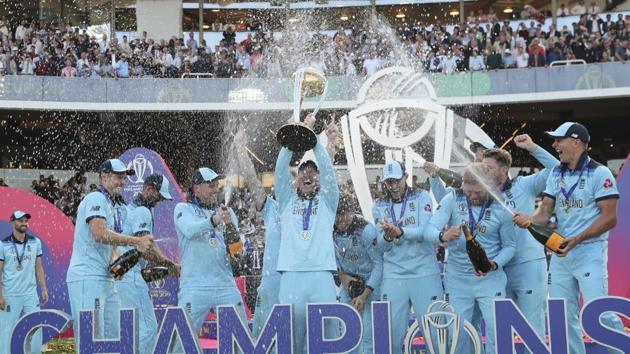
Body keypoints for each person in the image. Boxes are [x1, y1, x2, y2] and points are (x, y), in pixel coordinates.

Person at [513, 122, 624, 354]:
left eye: (558, 140)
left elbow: (610, 218)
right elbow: (544, 212)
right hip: (562, 253)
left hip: (589, 252)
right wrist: (530, 220)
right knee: (562, 316)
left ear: (576, 142)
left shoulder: (600, 173)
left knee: (599, 313)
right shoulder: (556, 173)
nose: (555, 145)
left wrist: (576, 239)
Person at [426, 163, 516, 354]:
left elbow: (510, 247)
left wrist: (494, 264)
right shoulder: (452, 198)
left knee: (497, 332)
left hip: (490, 279)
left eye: (478, 192)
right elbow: (429, 230)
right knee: (458, 335)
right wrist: (442, 236)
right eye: (469, 191)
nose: (473, 196)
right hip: (458, 280)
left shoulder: (501, 205)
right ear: (463, 185)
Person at [66, 159, 153, 351]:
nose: (122, 182)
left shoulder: (111, 204)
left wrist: (115, 259)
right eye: (118, 177)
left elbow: (111, 240)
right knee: (91, 340)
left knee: (114, 338)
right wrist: (137, 241)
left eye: (124, 178)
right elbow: (99, 233)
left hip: (105, 278)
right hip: (87, 277)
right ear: (104, 177)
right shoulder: (96, 198)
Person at [481, 134, 559, 340]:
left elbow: (556, 170)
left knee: (533, 330)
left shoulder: (524, 185)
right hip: (498, 270)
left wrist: (533, 148)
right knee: (500, 332)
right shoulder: (481, 196)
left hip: (528, 265)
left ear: (504, 170)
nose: (483, 172)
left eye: (488, 168)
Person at [274, 114, 339, 354]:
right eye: (303, 172)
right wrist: (294, 136)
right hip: (291, 274)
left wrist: (314, 142)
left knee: (327, 337)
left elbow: (330, 174)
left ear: (319, 179)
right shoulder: (286, 201)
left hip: (322, 274)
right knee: (292, 341)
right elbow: (281, 170)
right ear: (297, 178)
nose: (307, 175)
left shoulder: (328, 202)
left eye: (313, 172)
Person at [372, 161, 443, 354]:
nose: (393, 186)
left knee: (435, 336)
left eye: (397, 180)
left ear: (405, 176)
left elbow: (426, 231)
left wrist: (401, 231)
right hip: (394, 275)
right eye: (389, 182)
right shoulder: (379, 205)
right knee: (389, 337)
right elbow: (380, 246)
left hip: (424, 272)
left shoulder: (421, 197)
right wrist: (387, 236)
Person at [173, 167, 247, 348]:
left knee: (241, 340)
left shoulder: (227, 212)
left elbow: (237, 251)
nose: (215, 188)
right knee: (180, 345)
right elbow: (190, 230)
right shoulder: (183, 208)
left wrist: (232, 236)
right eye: (210, 185)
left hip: (225, 285)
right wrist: (214, 220)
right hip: (195, 286)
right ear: (196, 188)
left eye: (216, 184)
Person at [118, 174, 179, 354]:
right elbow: (146, 247)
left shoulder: (130, 208)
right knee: (148, 328)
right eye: (158, 195)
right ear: (148, 190)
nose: (160, 200)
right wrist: (170, 265)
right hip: (131, 275)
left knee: (130, 331)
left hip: (122, 273)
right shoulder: (143, 211)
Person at [333, 194, 381, 354]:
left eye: (345, 216)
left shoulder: (366, 230)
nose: (342, 222)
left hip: (371, 286)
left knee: (368, 337)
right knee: (347, 335)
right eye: (338, 218)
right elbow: (332, 260)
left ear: (352, 210)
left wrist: (365, 294)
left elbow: (379, 264)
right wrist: (344, 279)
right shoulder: (329, 231)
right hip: (348, 285)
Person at [0, 211, 48, 354]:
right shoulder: (3, 245)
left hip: (30, 294)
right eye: (20, 220)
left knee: (36, 326)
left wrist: (44, 288)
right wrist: (0, 295)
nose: (24, 223)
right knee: (6, 330)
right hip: (10, 294)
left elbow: (38, 267)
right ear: (12, 222)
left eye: (26, 220)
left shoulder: (35, 242)